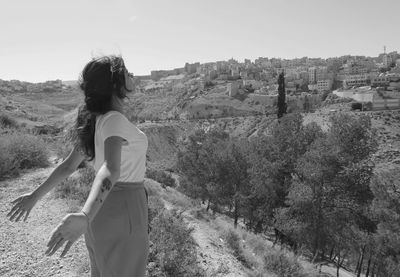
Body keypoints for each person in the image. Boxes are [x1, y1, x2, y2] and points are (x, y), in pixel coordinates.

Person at [7, 55, 149, 277]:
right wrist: (84, 214)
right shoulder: (114, 120)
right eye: (127, 72)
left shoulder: (95, 121)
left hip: (100, 212)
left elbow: (68, 167)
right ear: (116, 84)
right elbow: (111, 168)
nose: (132, 76)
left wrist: (35, 196)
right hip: (125, 212)